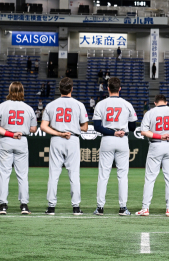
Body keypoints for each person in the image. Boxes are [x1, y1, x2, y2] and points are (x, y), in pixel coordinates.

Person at [41, 77, 89, 215]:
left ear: (59, 89)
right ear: (71, 89)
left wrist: (59, 133)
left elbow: (43, 126)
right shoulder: (79, 104)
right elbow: (85, 127)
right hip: (72, 139)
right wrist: (72, 127)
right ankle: (76, 207)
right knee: (74, 174)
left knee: (53, 174)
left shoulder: (51, 105)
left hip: (56, 139)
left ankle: (51, 207)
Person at [92, 77, 138, 216]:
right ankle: (123, 208)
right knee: (122, 175)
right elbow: (132, 126)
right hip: (122, 139)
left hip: (107, 139)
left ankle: (100, 208)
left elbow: (97, 126)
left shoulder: (101, 104)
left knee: (103, 175)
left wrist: (112, 131)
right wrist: (120, 131)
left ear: (107, 88)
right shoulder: (127, 104)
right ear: (120, 88)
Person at [135, 94, 169, 217]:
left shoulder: (150, 112)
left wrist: (159, 134)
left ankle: (145, 208)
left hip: (155, 145)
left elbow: (144, 132)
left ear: (155, 103)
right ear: (166, 102)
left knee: (150, 178)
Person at [0, 82, 38, 215]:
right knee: (22, 175)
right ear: (22, 91)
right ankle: (24, 205)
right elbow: (33, 129)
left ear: (10, 91)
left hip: (6, 140)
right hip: (21, 140)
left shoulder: (2, 106)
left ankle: (3, 205)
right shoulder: (28, 108)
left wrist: (11, 133)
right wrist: (22, 129)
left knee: (4, 174)